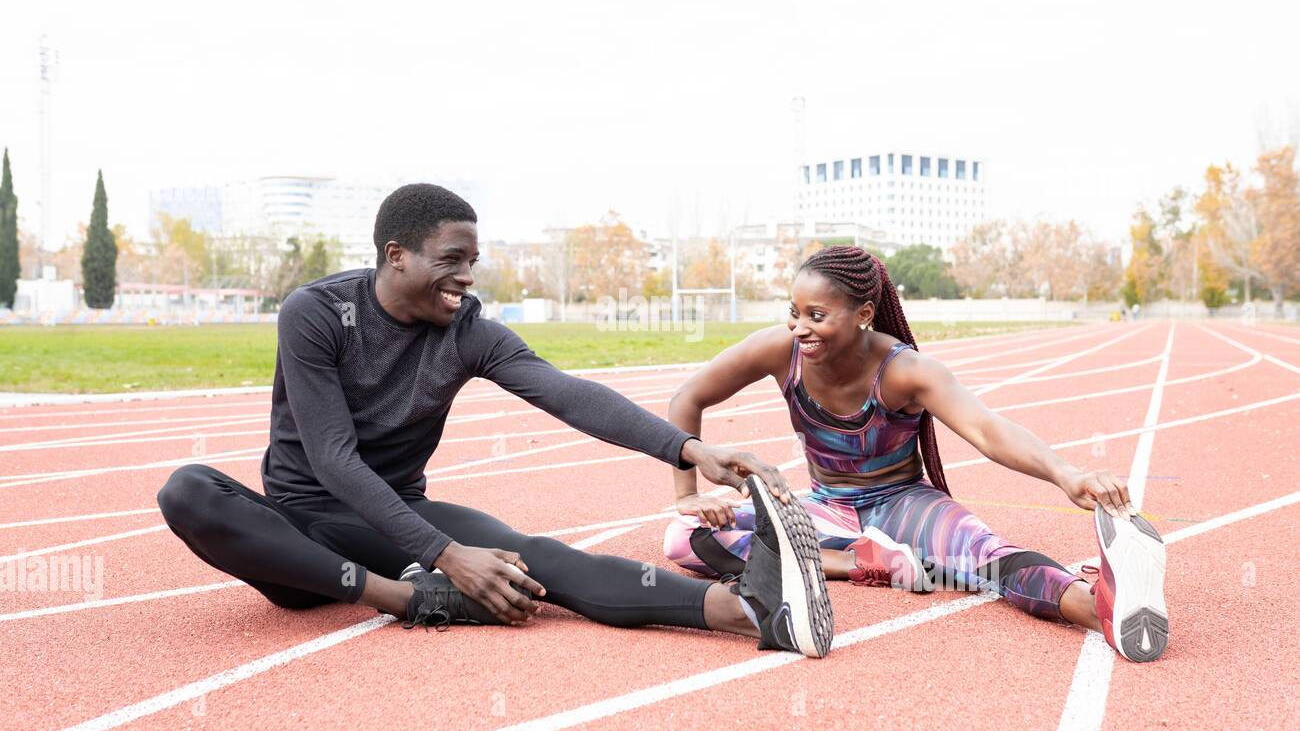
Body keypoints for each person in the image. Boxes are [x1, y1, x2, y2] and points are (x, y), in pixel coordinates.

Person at [155, 184, 834, 659]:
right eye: (451, 260)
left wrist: (689, 449)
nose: (467, 277)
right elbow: (333, 458)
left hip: (397, 515)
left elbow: (568, 395)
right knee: (186, 490)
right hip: (301, 534)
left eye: (472, 262)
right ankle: (417, 601)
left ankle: (750, 611)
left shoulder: (470, 333)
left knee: (534, 557)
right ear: (396, 256)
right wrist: (448, 562)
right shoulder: (316, 314)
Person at [663, 246, 1169, 663]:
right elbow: (687, 398)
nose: (800, 328)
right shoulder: (779, 351)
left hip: (904, 504)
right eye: (794, 314)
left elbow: (987, 430)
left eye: (817, 316)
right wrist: (688, 494)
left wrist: (1067, 474)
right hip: (824, 508)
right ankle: (857, 562)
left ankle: (1101, 602)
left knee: (989, 560)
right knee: (684, 536)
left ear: (863, 315)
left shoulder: (905, 370)